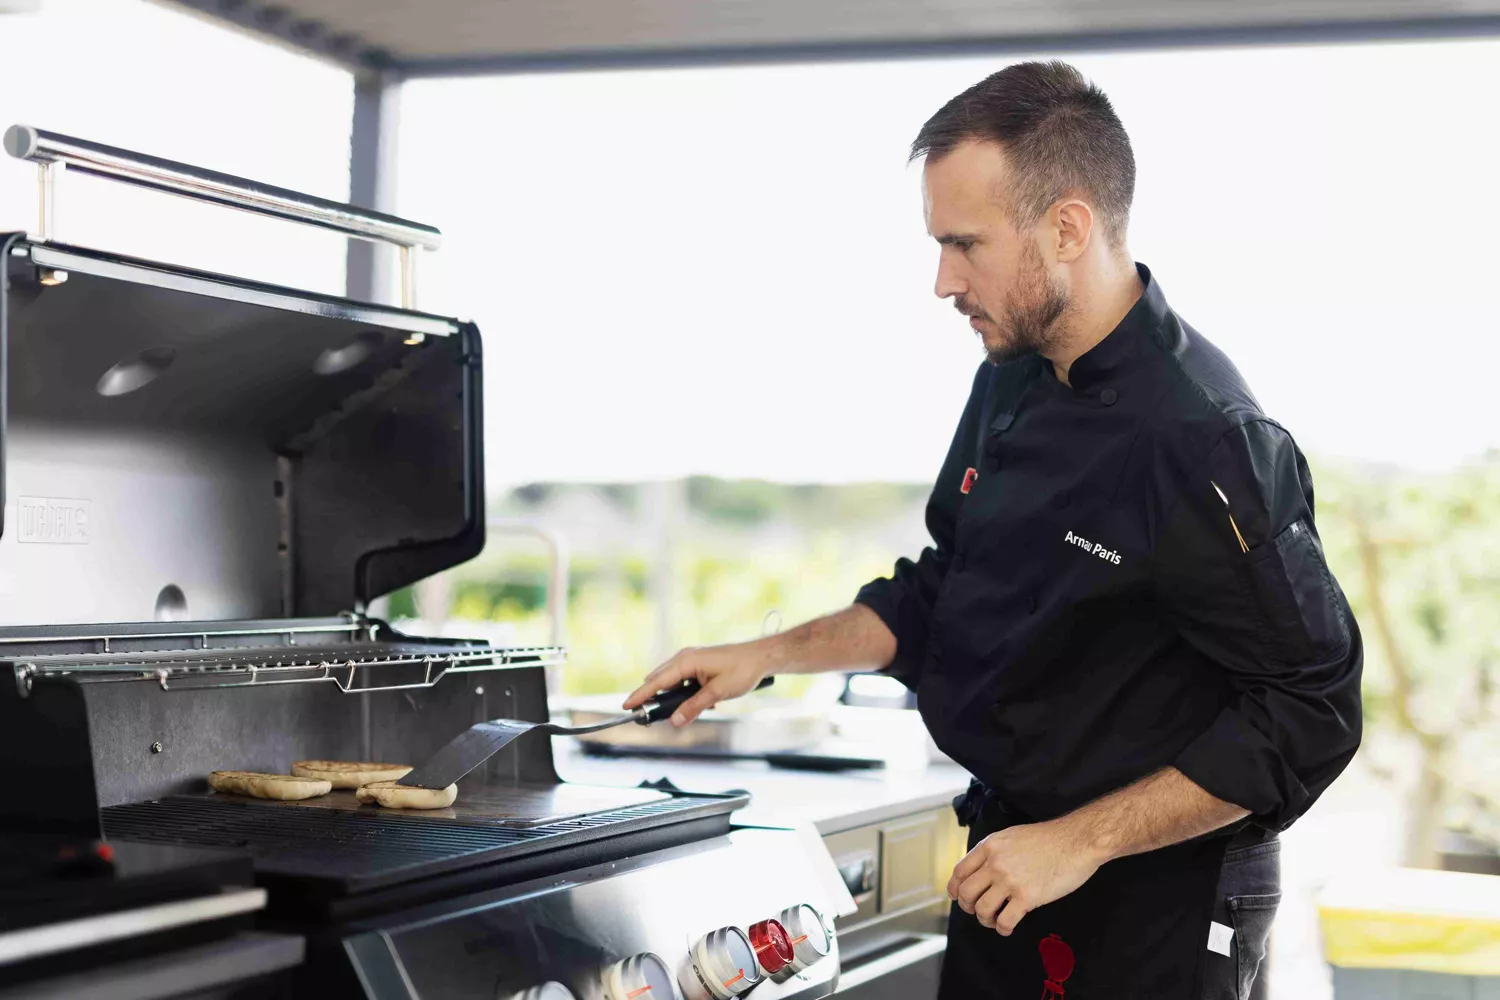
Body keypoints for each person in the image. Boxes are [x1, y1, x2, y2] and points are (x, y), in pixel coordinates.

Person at [624, 60, 1362, 999]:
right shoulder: (1008, 378)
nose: (942, 281)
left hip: (1159, 891)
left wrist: (1075, 844)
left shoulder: (1207, 439)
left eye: (964, 245)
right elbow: (944, 590)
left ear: (1068, 227)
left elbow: (1312, 711)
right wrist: (759, 656)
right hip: (1012, 862)